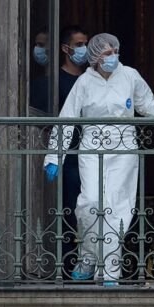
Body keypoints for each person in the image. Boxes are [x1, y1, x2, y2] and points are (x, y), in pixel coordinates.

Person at [43, 33, 154, 285]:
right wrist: (54, 156)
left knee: (117, 208)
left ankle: (109, 271)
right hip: (92, 148)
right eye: (106, 53)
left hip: (123, 149)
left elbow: (148, 107)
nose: (112, 57)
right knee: (89, 203)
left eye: (114, 52)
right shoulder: (85, 82)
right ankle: (87, 257)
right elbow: (67, 119)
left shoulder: (130, 75)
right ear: (95, 56)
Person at [53, 25, 87, 274]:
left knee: (92, 210)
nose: (83, 49)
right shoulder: (55, 82)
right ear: (66, 49)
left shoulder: (90, 79)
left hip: (91, 153)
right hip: (69, 157)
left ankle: (90, 264)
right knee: (69, 212)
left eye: (85, 43)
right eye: (78, 44)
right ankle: (66, 265)